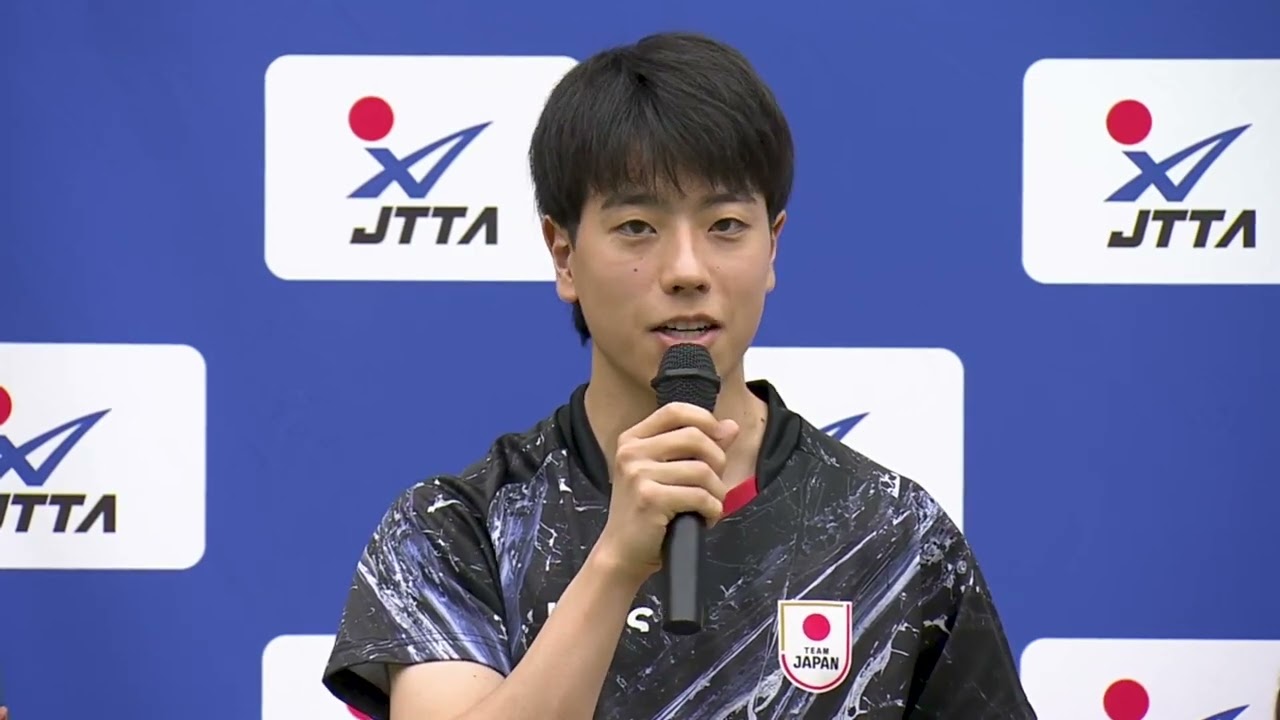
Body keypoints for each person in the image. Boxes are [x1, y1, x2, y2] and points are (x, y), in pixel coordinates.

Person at [321, 31, 1036, 720]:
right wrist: (615, 563)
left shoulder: (888, 531)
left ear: (773, 247)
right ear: (564, 255)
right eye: (638, 227)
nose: (687, 270)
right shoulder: (456, 530)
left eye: (725, 225)